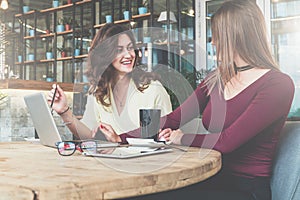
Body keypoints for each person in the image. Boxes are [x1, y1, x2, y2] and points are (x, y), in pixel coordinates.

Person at [98, 1, 295, 199]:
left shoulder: (278, 85)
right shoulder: (216, 78)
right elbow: (175, 118)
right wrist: (121, 138)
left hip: (245, 188)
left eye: (216, 35)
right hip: (211, 176)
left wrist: (180, 138)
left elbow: (227, 142)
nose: (213, 42)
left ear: (234, 37)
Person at [48, 23, 172, 139]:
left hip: (145, 161)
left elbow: (168, 136)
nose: (128, 55)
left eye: (130, 48)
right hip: (112, 158)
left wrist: (119, 140)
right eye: (119, 50)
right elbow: (88, 135)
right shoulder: (99, 91)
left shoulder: (153, 89)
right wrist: (64, 111)